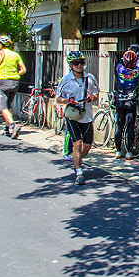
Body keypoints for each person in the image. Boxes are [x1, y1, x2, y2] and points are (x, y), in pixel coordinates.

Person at [56, 51, 99, 185]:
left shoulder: (90, 78)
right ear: (71, 65)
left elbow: (97, 94)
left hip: (86, 116)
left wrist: (91, 98)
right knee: (77, 144)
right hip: (72, 116)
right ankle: (79, 172)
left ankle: (77, 159)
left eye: (81, 62)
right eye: (76, 63)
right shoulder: (66, 80)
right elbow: (58, 98)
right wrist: (68, 100)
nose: (79, 65)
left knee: (86, 146)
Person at [0, 35, 26, 139]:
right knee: (9, 105)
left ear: (0, 45)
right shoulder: (15, 55)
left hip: (4, 81)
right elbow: (23, 69)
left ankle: (13, 125)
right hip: (15, 82)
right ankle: (7, 129)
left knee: (3, 107)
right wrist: (16, 75)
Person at [114, 48, 139, 160]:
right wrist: (137, 53)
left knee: (119, 127)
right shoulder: (137, 71)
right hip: (131, 102)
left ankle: (118, 150)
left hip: (120, 101)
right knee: (130, 127)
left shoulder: (120, 69)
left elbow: (120, 61)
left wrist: (127, 52)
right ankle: (129, 152)